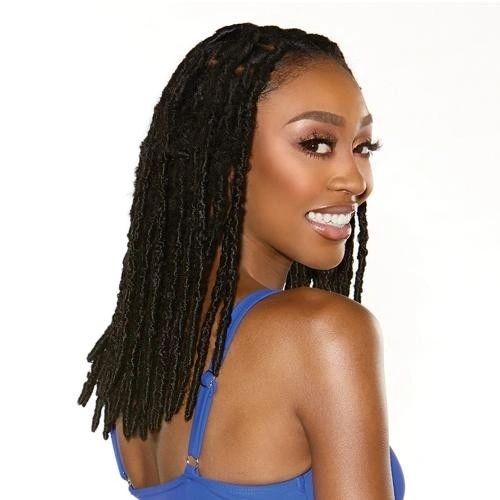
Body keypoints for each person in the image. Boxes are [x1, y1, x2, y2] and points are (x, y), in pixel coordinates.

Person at [77, 21, 406, 500]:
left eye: (362, 147)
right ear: (223, 160)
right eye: (316, 144)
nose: (356, 181)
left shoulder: (143, 353)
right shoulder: (323, 330)